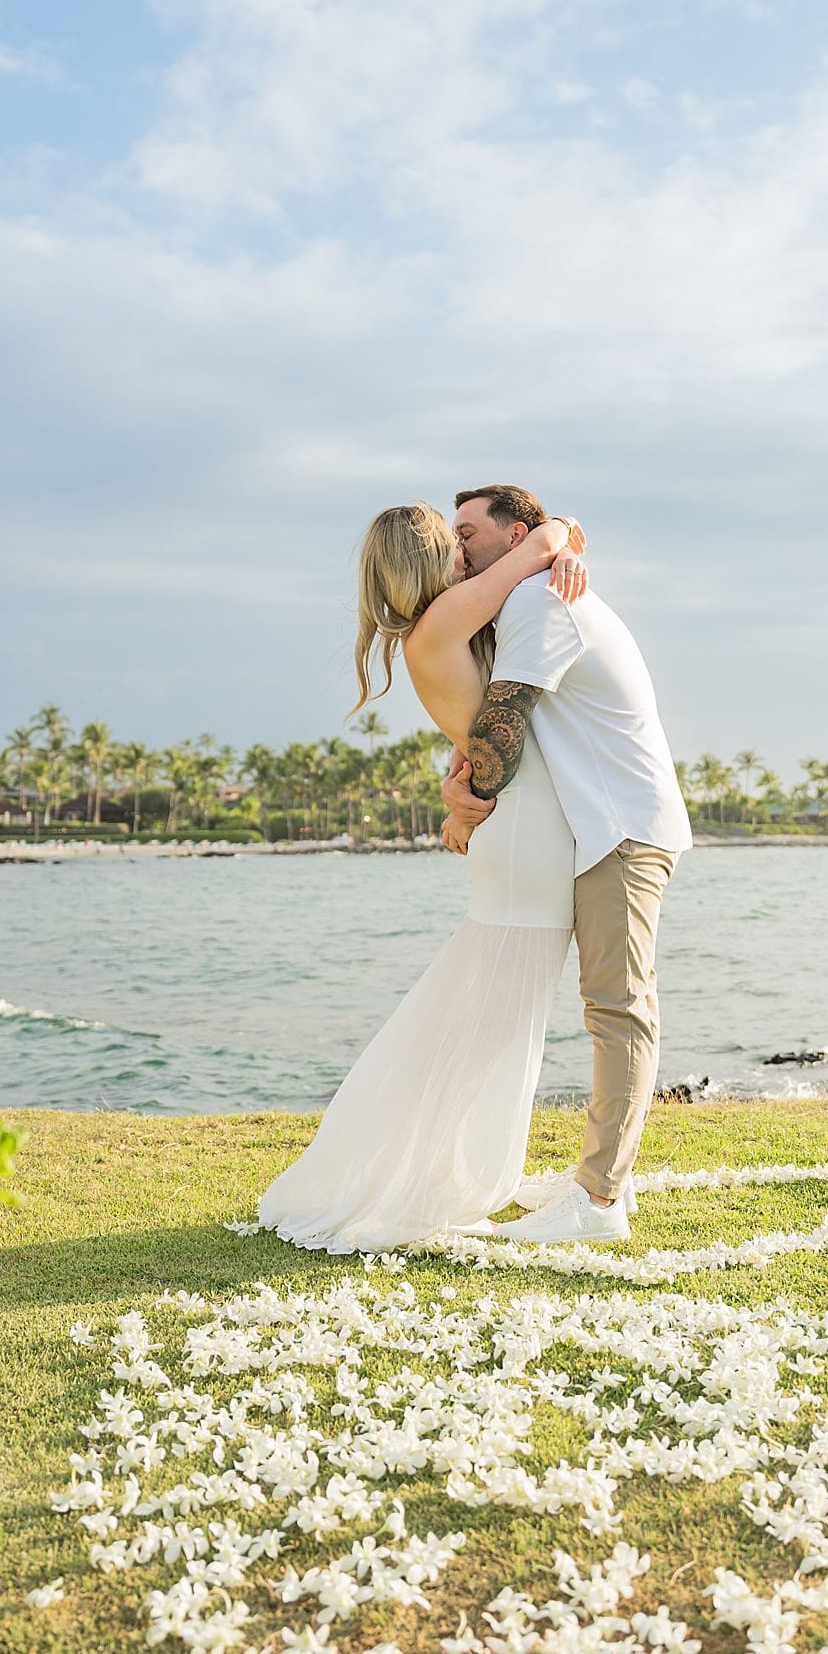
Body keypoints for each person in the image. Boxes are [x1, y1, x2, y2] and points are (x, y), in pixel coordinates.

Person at [255, 499, 586, 1253]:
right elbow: (532, 547)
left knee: (489, 1018)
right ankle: (427, 1174)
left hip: (514, 828)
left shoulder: (437, 631)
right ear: (430, 557)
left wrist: (458, 790)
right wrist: (559, 538)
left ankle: (446, 1166)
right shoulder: (448, 620)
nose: (467, 556)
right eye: (454, 542)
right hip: (525, 833)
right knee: (492, 1023)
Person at [441, 484, 692, 1244]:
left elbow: (505, 720)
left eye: (467, 534)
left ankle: (600, 1201)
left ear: (517, 535)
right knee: (609, 1006)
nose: (456, 550)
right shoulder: (537, 585)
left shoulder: (538, 602)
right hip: (604, 826)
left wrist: (463, 805)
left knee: (619, 1007)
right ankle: (602, 1174)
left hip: (620, 828)